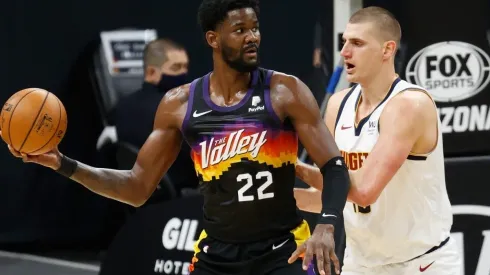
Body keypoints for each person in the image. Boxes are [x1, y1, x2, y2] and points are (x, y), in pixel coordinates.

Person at [1, 1, 350, 275]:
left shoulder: (285, 91)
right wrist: (63, 164)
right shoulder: (179, 104)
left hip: (281, 250)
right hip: (217, 254)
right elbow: (136, 189)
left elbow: (335, 167)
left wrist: (327, 224)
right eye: (240, 29)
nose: (252, 37)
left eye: (255, 28)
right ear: (213, 39)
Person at [291, 6, 462, 275]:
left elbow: (362, 191)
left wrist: (292, 167)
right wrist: (268, 195)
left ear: (387, 49)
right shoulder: (337, 105)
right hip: (362, 264)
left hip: (421, 263)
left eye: (357, 43)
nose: (345, 52)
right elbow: (326, 197)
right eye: (344, 42)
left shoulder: (409, 105)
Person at [111, 38, 198, 197]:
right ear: (151, 73)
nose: (183, 74)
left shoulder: (121, 107)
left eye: (185, 67)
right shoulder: (178, 109)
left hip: (142, 202)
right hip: (184, 200)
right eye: (176, 68)